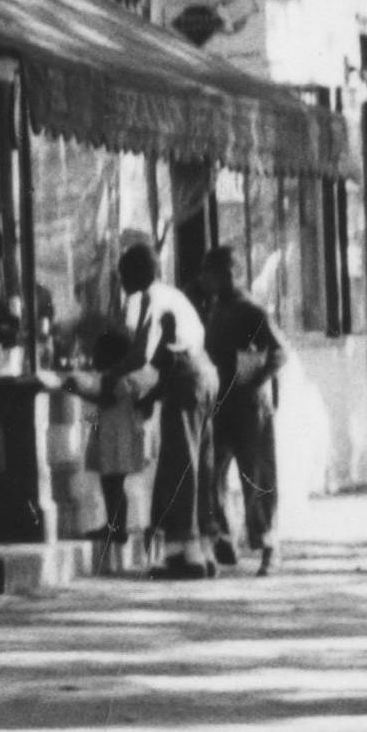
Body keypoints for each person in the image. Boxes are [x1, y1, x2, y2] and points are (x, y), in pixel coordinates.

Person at [118, 238, 217, 579]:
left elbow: (143, 354)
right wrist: (149, 397)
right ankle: (201, 546)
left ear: (133, 275)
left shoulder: (151, 299)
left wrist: (112, 374)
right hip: (205, 375)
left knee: (181, 464)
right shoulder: (174, 295)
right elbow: (166, 353)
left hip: (186, 379)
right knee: (199, 462)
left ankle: (188, 555)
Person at [199, 247, 290, 576]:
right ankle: (225, 537)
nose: (204, 280)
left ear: (226, 274)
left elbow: (279, 352)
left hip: (249, 407)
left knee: (257, 477)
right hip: (219, 403)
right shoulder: (215, 308)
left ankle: (269, 546)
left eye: (209, 273)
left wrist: (254, 381)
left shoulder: (250, 309)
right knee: (211, 473)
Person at [82, 323, 151, 546]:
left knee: (112, 483)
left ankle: (116, 527)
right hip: (116, 436)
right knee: (113, 483)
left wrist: (75, 389)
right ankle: (114, 525)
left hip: (116, 438)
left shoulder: (116, 379)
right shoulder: (127, 378)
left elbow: (105, 401)